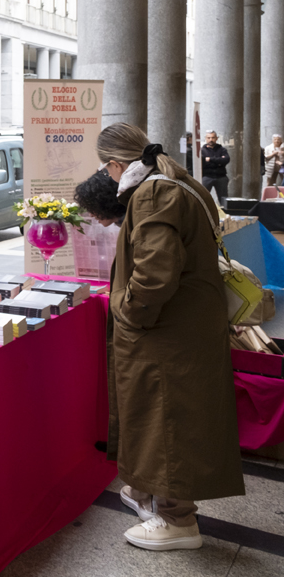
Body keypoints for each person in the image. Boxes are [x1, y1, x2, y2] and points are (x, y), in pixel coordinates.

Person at [97, 122, 244, 551]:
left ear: (114, 164)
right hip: (184, 325)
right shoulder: (179, 182)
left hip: (167, 330)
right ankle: (150, 495)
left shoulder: (155, 193)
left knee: (166, 417)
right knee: (161, 414)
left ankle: (178, 520)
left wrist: (129, 313)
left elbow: (155, 274)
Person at [199, 130, 231, 209]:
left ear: (216, 138)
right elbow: (202, 162)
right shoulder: (202, 150)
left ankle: (225, 215)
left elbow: (226, 160)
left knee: (223, 198)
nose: (211, 140)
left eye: (213, 137)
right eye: (209, 138)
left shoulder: (222, 149)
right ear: (205, 138)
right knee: (202, 197)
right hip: (207, 176)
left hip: (221, 177)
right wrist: (218, 160)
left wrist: (209, 159)